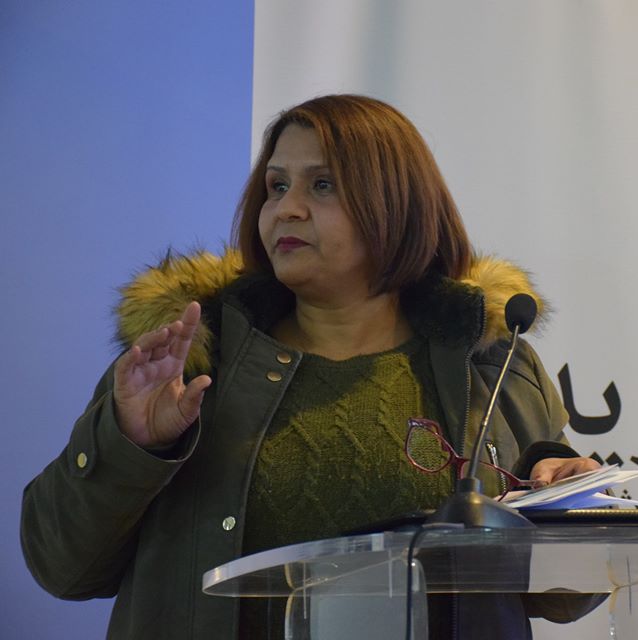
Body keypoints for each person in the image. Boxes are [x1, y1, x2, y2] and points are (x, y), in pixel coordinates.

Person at [21, 94, 599, 639]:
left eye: (322, 185)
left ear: (398, 206)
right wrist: (131, 444)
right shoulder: (190, 359)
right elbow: (61, 568)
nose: (286, 208)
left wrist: (575, 499)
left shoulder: (492, 363)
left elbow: (564, 598)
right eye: (276, 186)